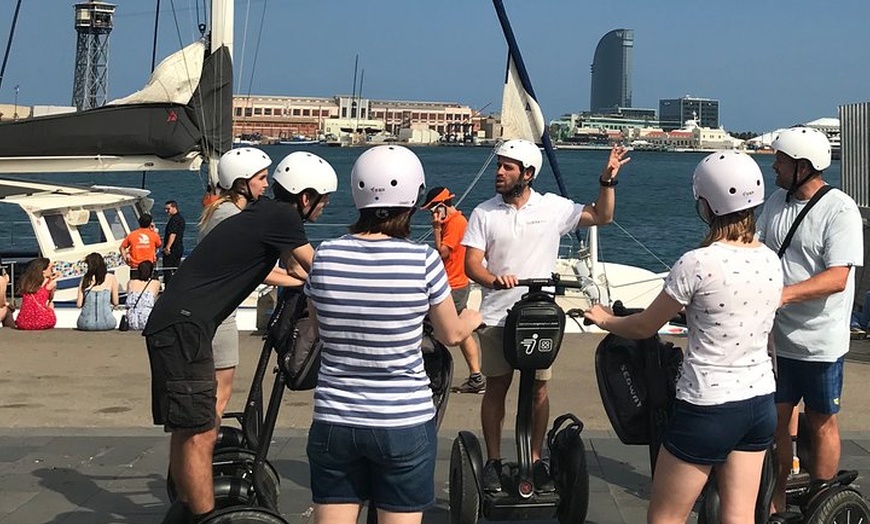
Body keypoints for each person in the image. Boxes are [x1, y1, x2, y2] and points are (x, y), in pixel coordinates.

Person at [584, 150, 781, 523]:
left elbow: (644, 326)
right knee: (740, 516)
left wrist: (605, 320)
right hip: (759, 402)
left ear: (706, 205)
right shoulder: (770, 259)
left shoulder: (697, 262)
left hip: (708, 406)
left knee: (665, 517)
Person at [143, 146, 332, 523]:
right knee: (199, 433)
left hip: (177, 322)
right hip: (187, 326)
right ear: (306, 198)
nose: (325, 207)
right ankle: (206, 517)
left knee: (188, 430)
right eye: (324, 201)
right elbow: (321, 268)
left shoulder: (266, 214)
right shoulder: (281, 216)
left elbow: (298, 268)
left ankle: (188, 507)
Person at [304, 145, 482, 524]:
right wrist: (475, 315)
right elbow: (450, 333)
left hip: (336, 417)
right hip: (402, 421)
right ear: (414, 199)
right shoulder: (423, 260)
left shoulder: (326, 255)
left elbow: (319, 328)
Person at [462, 139, 629, 493]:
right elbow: (472, 264)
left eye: (508, 168)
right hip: (496, 317)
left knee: (539, 389)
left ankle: (535, 459)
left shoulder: (552, 208)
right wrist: (494, 279)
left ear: (528, 173)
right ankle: (493, 461)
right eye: (499, 166)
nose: (499, 173)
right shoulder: (484, 212)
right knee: (497, 387)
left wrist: (607, 180)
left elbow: (603, 215)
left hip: (537, 317)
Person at [756, 126, 865, 512]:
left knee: (821, 422)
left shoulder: (840, 209)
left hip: (821, 341)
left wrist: (782, 294)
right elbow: (758, 249)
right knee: (775, 423)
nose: (774, 166)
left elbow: (838, 277)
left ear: (803, 166)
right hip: (778, 339)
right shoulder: (775, 202)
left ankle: (822, 500)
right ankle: (776, 501)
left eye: (781, 161)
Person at [199, 148, 336, 422]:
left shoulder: (227, 211)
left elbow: (294, 262)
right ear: (241, 183)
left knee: (210, 397)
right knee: (218, 398)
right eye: (261, 178)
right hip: (219, 316)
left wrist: (299, 276)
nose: (266, 185)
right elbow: (253, 270)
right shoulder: (231, 216)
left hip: (212, 311)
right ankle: (202, 456)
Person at [421, 186, 485, 394]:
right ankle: (476, 377)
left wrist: (436, 229)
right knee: (462, 332)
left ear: (442, 206)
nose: (432, 214)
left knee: (432, 330)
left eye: (433, 209)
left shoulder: (455, 224)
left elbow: (442, 252)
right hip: (456, 283)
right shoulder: (456, 221)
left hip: (453, 285)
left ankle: (433, 376)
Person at [76, 252, 120, 331]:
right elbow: (116, 302)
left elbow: (79, 304)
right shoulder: (111, 278)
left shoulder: (85, 279)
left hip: (85, 323)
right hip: (107, 323)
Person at [15, 257, 59, 331]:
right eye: (51, 268)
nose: (52, 271)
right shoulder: (51, 283)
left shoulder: (27, 283)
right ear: (43, 271)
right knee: (51, 304)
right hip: (41, 321)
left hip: (23, 322)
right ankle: (49, 319)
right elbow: (50, 298)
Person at [120, 213, 162, 280]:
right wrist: (153, 231)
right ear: (150, 223)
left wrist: (125, 259)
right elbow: (159, 245)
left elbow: (122, 247)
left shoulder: (132, 235)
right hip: (149, 266)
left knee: (135, 286)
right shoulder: (154, 235)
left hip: (135, 266)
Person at [126, 260, 160, 331]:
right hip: (146, 317)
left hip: (132, 318)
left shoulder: (131, 283)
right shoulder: (155, 283)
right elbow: (154, 299)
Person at [162, 201, 186, 286]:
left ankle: (168, 286)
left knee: (167, 269)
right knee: (175, 268)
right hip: (179, 246)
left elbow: (173, 234)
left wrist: (168, 247)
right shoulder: (181, 218)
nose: (166, 211)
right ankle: (177, 285)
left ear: (174, 207)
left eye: (168, 209)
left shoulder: (174, 220)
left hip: (173, 248)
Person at [0, 256, 14, 328]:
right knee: (7, 309)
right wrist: (4, 283)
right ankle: (11, 331)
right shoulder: (1, 280)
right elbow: (2, 303)